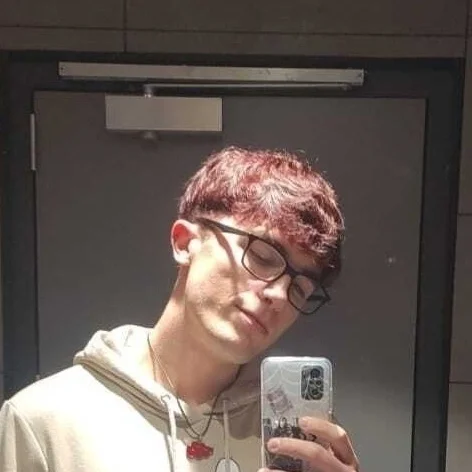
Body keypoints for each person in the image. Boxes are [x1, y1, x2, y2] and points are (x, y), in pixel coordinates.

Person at [0, 146, 359, 472]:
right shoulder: (44, 423)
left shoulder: (298, 439)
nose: (279, 295)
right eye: (263, 257)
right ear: (185, 243)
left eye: (300, 289)